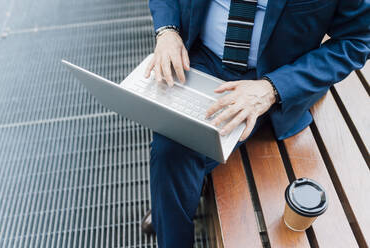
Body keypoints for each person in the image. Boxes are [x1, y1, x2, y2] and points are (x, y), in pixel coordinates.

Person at [142, 0, 370, 247]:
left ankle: (170, 202)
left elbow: (358, 40)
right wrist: (167, 30)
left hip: (275, 77)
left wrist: (273, 88)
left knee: (174, 156)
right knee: (170, 146)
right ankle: (172, 203)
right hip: (199, 56)